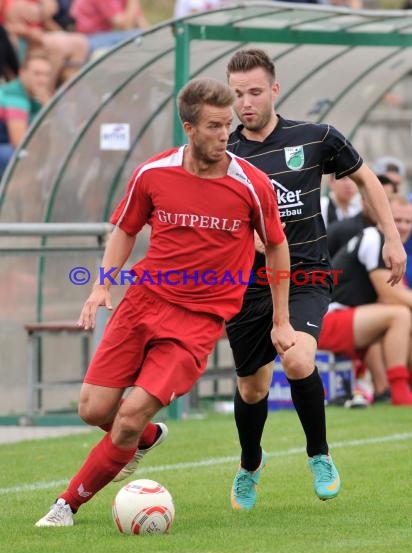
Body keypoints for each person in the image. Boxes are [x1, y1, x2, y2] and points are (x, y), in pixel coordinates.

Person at [35, 77, 297, 527]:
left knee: (128, 415)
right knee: (94, 411)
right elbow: (126, 228)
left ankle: (66, 506)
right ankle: (146, 438)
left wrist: (282, 320)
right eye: (214, 126)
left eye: (227, 125)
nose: (224, 134)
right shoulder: (153, 172)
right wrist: (101, 286)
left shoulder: (250, 183)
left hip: (199, 319)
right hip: (142, 303)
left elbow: (276, 244)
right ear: (188, 127)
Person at [224, 48, 406, 510]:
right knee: (252, 388)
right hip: (247, 284)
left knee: (299, 359)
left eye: (255, 92)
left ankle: (319, 456)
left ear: (274, 90)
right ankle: (249, 464)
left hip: (305, 274)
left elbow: (366, 179)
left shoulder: (315, 137)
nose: (245, 102)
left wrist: (391, 237)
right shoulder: (224, 153)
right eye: (237, 94)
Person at [318, 195, 412, 406]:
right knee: (400, 315)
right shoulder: (374, 237)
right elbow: (389, 294)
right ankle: (400, 391)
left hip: (346, 318)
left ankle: (389, 388)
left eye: (408, 222)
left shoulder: (387, 243)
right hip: (328, 319)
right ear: (383, 218)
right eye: (397, 220)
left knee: (404, 315)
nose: (403, 227)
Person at [0, 50, 52, 178]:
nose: (42, 80)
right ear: (22, 73)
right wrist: (50, 109)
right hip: (6, 148)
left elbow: (66, 131)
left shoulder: (41, 97)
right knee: (22, 158)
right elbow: (19, 142)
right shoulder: (14, 96)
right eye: (37, 74)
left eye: (46, 75)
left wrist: (49, 105)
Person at [70, 0, 149, 53]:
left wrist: (151, 39)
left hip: (103, 36)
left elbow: (142, 25)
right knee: (135, 38)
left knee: (142, 37)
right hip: (86, 39)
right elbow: (126, 27)